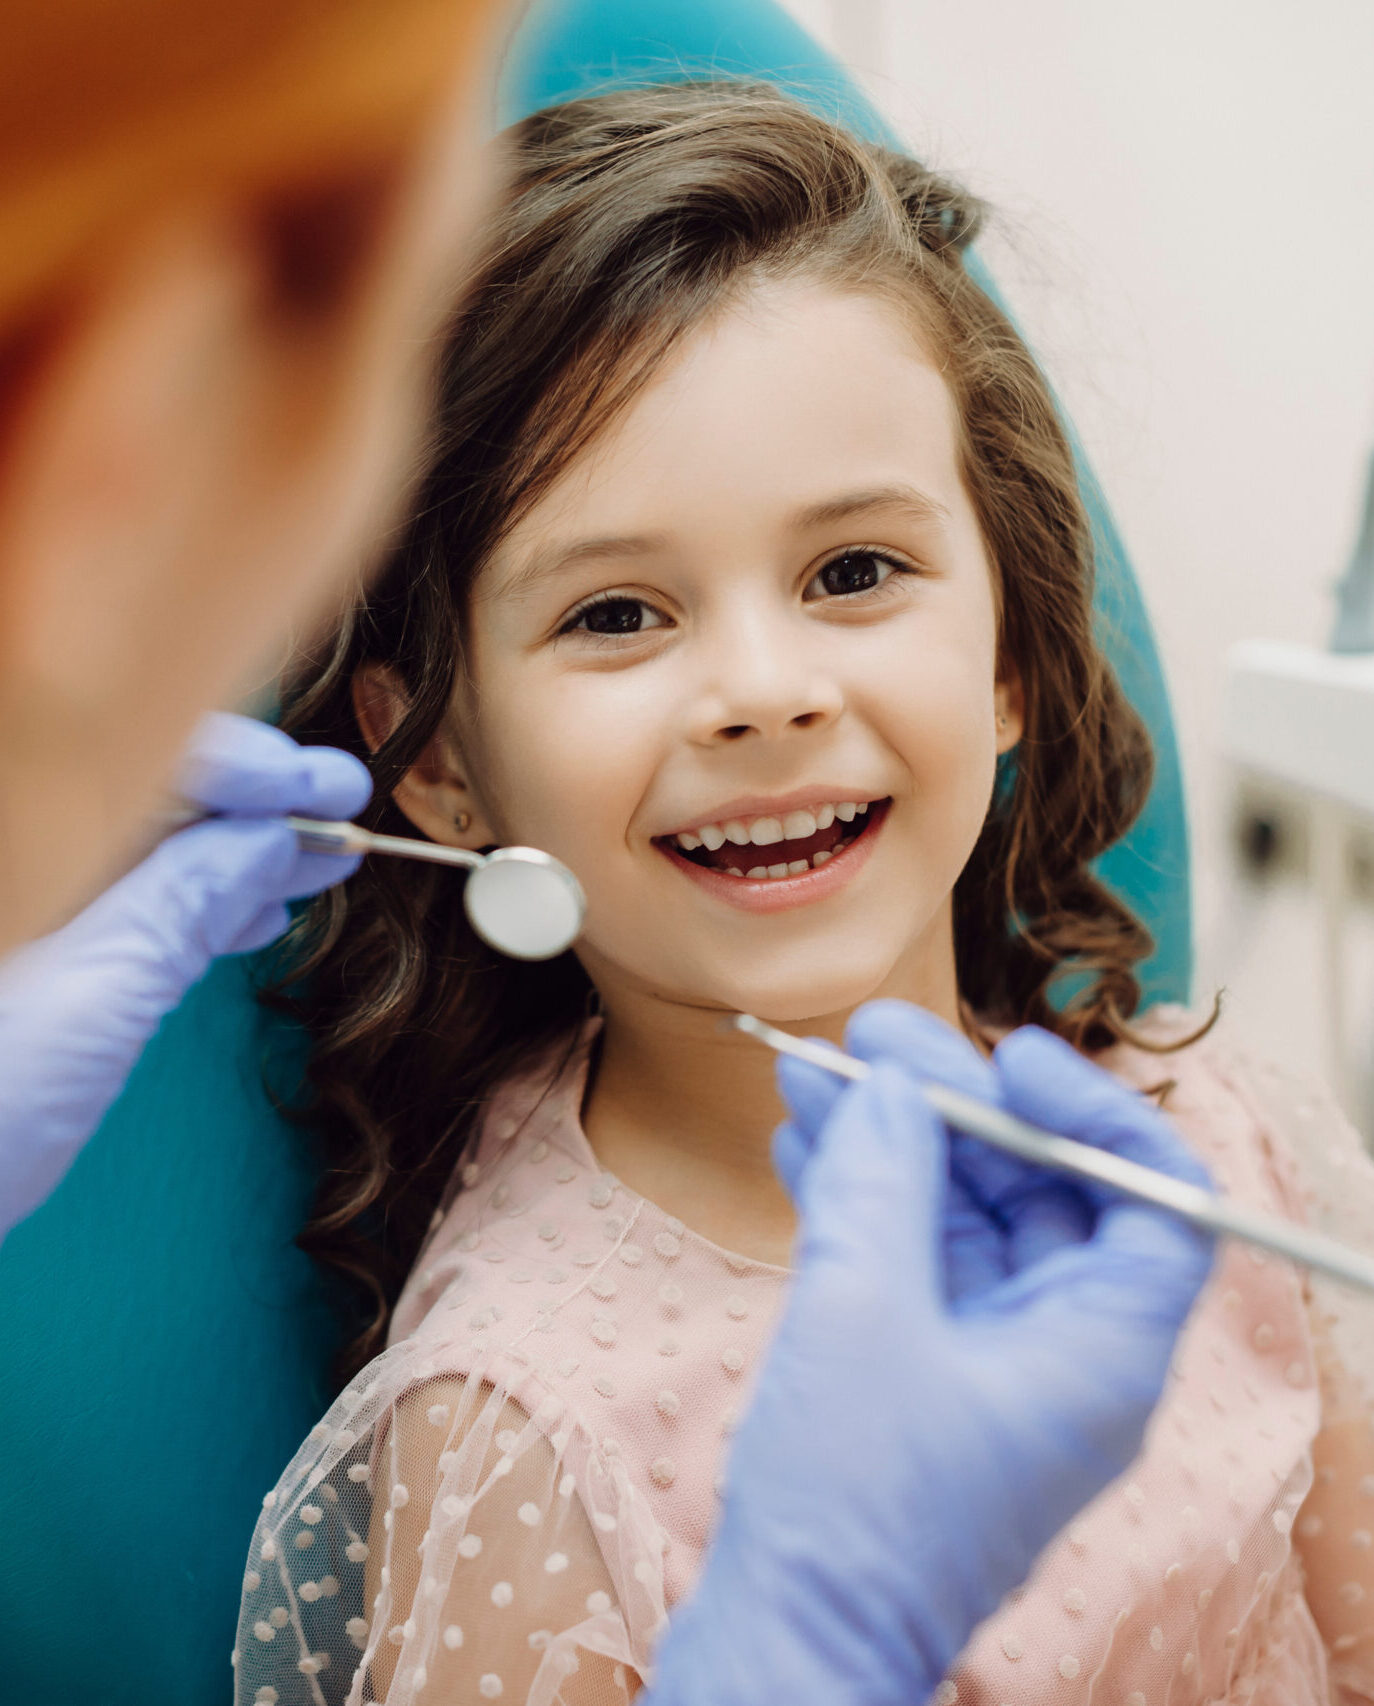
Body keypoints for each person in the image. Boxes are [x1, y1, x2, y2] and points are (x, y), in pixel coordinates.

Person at [232, 83, 1374, 1704]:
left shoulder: (1222, 1148)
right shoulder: (523, 1435)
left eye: (852, 573)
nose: (761, 694)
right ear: (438, 770)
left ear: (1009, 657)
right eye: (619, 613)